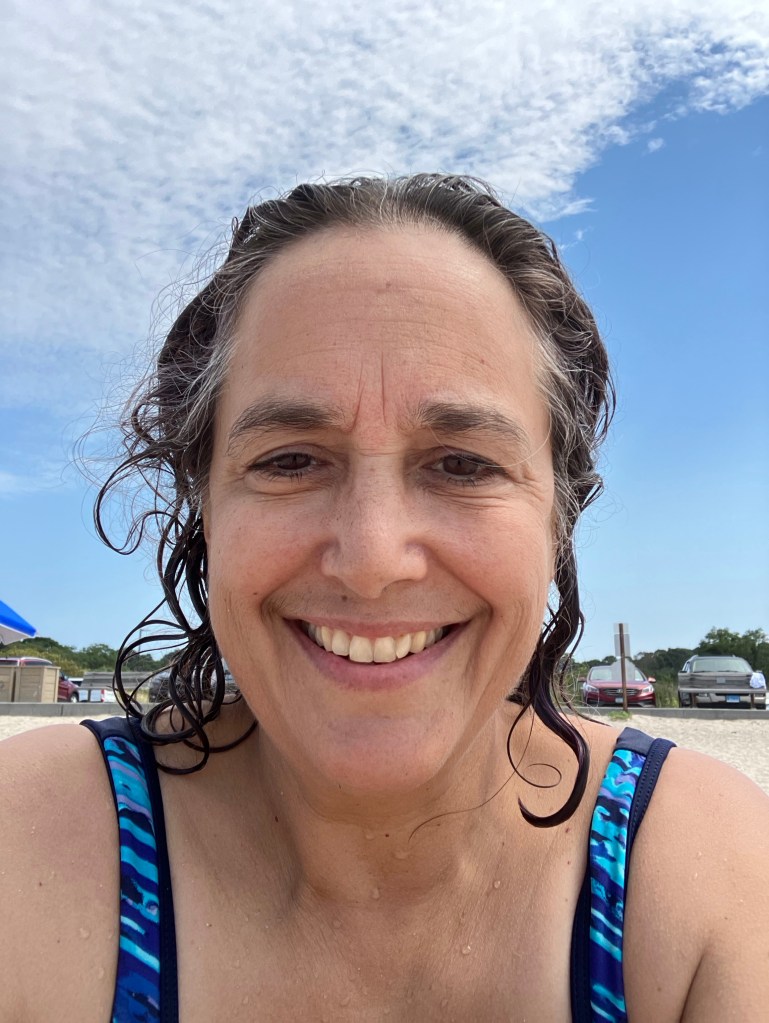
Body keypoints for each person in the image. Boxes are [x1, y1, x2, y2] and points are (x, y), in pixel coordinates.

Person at [1, 175, 767, 1022]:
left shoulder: (708, 875)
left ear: (557, 516)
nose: (370, 560)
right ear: (204, 508)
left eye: (462, 463)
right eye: (290, 460)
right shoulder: (26, 847)